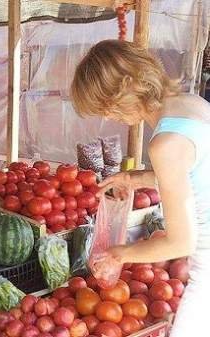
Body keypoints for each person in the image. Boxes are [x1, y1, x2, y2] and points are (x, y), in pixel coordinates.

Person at [71, 39, 210, 337]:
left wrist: (120, 253)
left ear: (126, 90)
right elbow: (197, 174)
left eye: (106, 107)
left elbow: (180, 244)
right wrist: (137, 179)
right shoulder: (191, 104)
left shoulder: (164, 145)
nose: (109, 117)